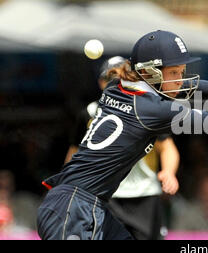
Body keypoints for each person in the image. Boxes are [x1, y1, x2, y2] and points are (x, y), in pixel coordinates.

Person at [36, 30, 208, 240]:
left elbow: (186, 86)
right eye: (174, 72)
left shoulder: (117, 88)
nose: (180, 79)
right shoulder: (151, 109)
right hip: (74, 210)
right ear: (150, 73)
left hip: (80, 206)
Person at [64, 56, 181, 240]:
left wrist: (168, 172)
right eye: (111, 79)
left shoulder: (146, 111)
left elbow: (167, 148)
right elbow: (75, 154)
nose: (117, 83)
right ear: (101, 83)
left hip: (145, 196)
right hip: (105, 196)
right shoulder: (89, 113)